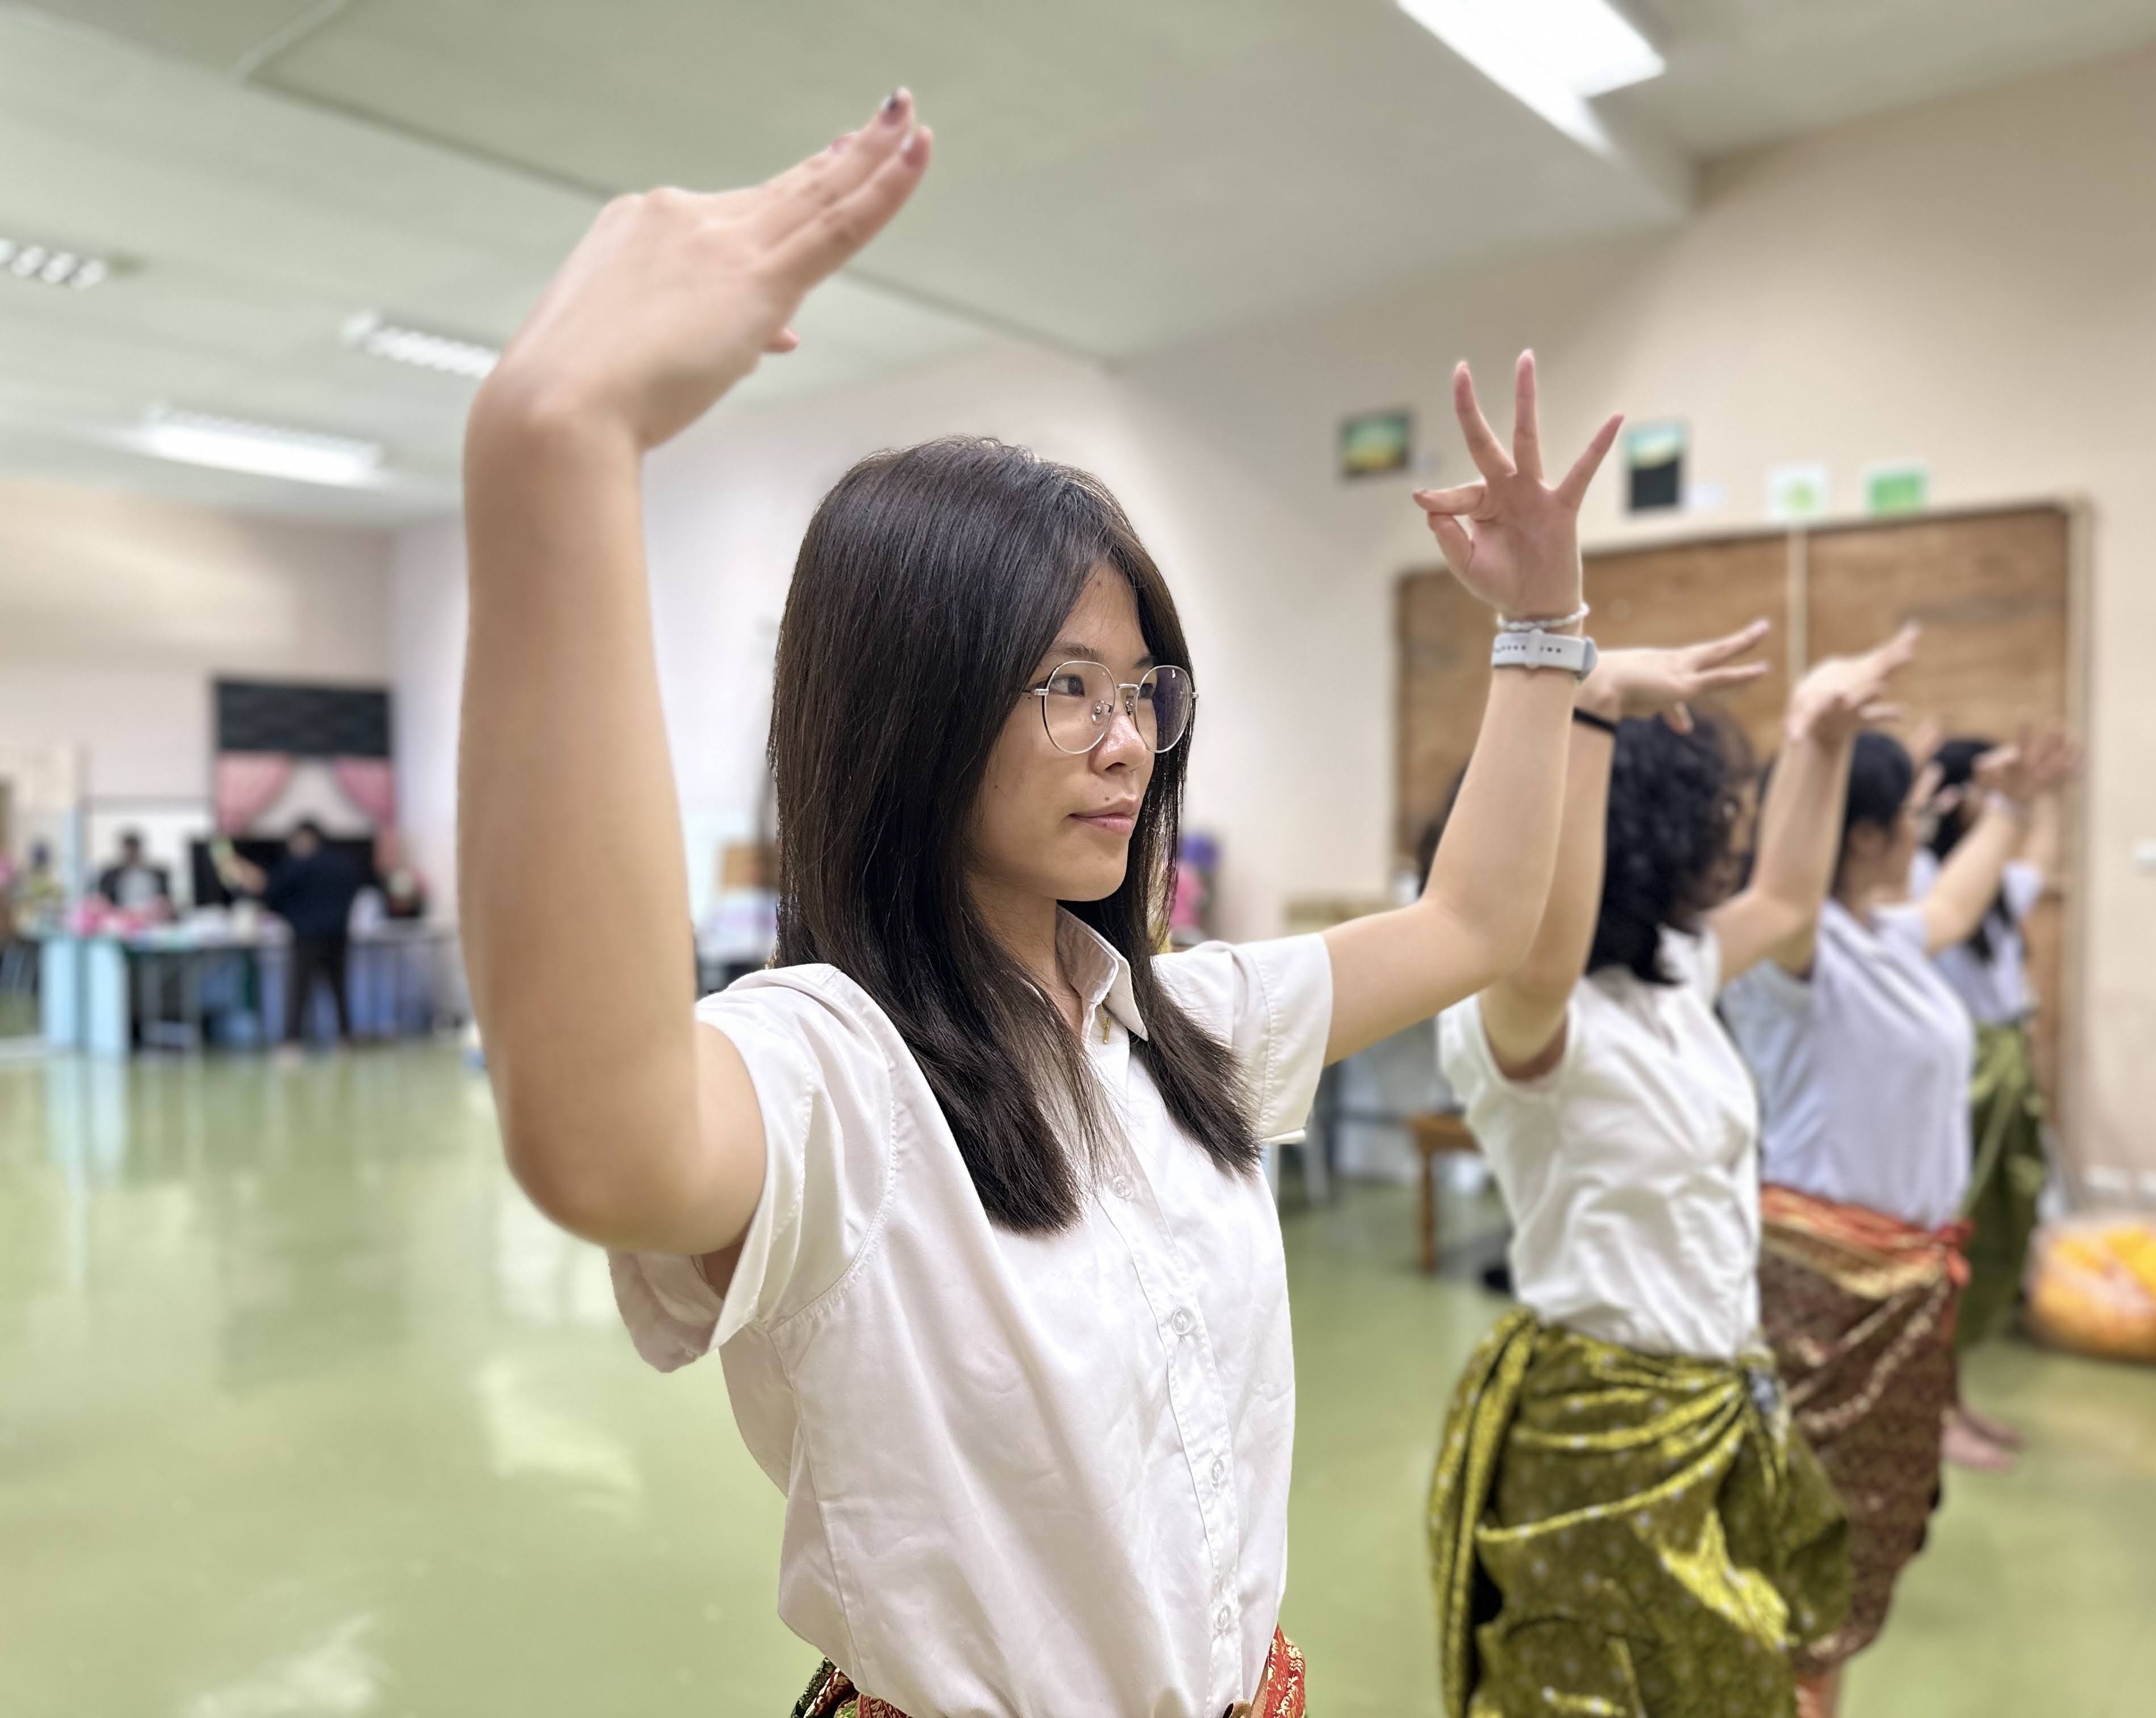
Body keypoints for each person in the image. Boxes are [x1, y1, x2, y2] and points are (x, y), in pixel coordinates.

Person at [456, 92, 1627, 1718]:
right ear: (913, 707)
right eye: (1063, 687)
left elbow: (1476, 925)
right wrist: (557, 439)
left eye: (1143, 685)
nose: (1131, 740)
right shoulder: (836, 1077)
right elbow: (596, 1132)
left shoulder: (1181, 1027)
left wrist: (1544, 628)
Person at [1424, 624, 1915, 1718]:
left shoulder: (1668, 981)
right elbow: (1546, 946)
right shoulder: (1514, 1012)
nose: (1725, 844)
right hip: (1598, 1433)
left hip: (1716, 1402)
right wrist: (1586, 710)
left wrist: (1817, 733)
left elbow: (1788, 897)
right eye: (1709, 820)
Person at [1719, 727, 2063, 1717]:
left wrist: (2011, 806)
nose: (1920, 830)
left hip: (1898, 1283)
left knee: (1853, 1543)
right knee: (1799, 1542)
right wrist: (1817, 740)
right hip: (1817, 1290)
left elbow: (1956, 899)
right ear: (1861, 833)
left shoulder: (1884, 933)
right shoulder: (1792, 952)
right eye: (1907, 815)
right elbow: (1788, 881)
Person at [1914, 731, 2082, 1470]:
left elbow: (2036, 867)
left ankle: (1956, 1399)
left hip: (2002, 1066)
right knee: (1947, 1244)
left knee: (1992, 1238)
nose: (1990, 807)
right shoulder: (1926, 876)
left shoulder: (1986, 892)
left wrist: (2043, 794)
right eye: (1979, 789)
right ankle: (1931, 1413)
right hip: (1960, 1077)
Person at [219, 820, 368, 1054]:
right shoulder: (344, 864)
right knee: (339, 990)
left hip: (307, 936)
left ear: (303, 838)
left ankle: (292, 1043)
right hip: (339, 934)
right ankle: (344, 1039)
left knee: (299, 991)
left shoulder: (301, 864)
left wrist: (242, 876)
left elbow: (269, 890)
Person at [95, 830, 173, 918]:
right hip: (119, 919)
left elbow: (166, 901)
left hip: (154, 919)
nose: (131, 853)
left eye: (134, 849)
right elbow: (104, 903)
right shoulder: (110, 876)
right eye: (128, 850)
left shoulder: (158, 874)